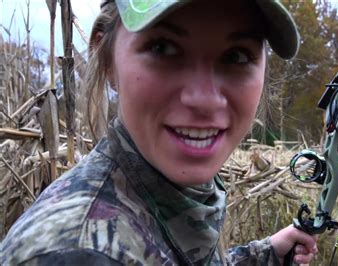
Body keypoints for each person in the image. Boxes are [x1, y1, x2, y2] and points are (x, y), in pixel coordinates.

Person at [0, 0, 317, 265]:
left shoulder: (171, 189)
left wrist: (264, 255)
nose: (204, 99)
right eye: (164, 48)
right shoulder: (78, 253)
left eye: (236, 55)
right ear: (106, 57)